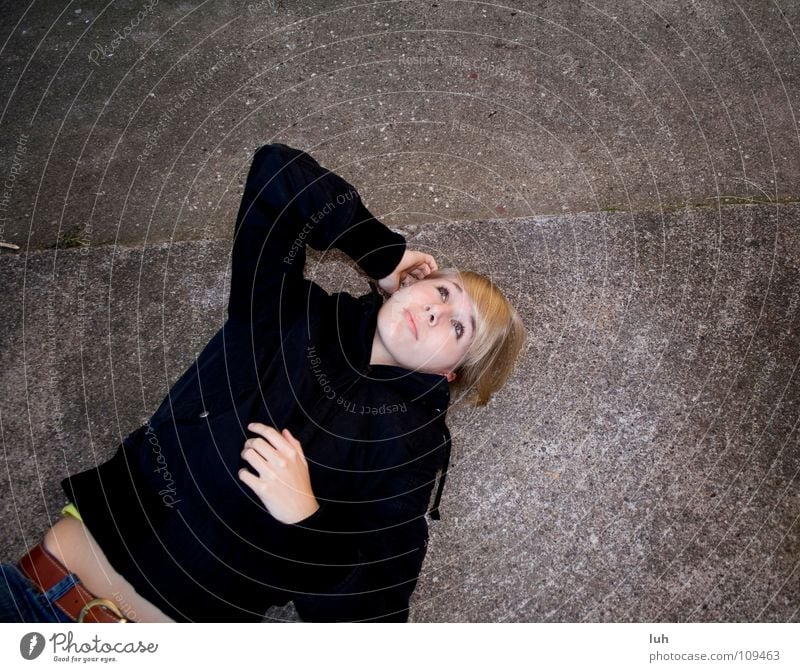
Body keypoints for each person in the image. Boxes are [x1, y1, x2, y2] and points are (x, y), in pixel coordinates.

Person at [0, 143, 525, 623]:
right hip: (36, 592)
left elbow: (374, 614)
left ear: (452, 372)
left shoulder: (410, 448)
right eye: (442, 290)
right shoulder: (289, 312)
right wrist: (380, 253)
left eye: (460, 327)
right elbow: (278, 174)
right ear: (412, 283)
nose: (436, 310)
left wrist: (305, 518)